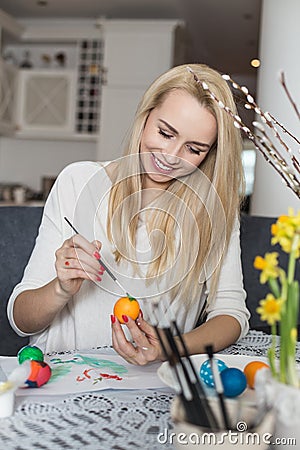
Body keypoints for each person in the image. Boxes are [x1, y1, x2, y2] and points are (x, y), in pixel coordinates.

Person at [7, 63, 250, 364]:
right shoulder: (78, 182)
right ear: (145, 116)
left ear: (210, 153)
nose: (171, 157)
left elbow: (231, 314)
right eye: (165, 133)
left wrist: (170, 347)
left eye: (194, 149)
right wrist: (61, 287)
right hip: (63, 376)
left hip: (152, 384)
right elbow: (21, 321)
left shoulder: (216, 211)